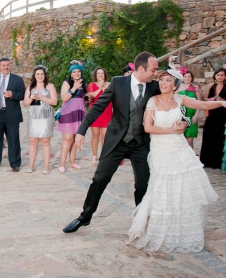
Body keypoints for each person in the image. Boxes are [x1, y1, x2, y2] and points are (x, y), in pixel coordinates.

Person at [63, 52, 186, 233]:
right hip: (117, 141)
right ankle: (84, 216)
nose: (156, 73)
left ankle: (141, 220)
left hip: (141, 143)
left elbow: (175, 105)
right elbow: (98, 107)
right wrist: (81, 131)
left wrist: (185, 121)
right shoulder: (118, 83)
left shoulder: (154, 86)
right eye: (153, 69)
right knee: (99, 179)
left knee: (143, 184)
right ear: (142, 68)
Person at [127, 69, 226, 252]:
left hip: (179, 148)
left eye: (167, 80)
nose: (163, 83)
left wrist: (221, 102)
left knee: (184, 186)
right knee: (162, 186)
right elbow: (147, 127)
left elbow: (202, 105)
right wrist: (170, 130)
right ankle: (160, 226)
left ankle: (182, 227)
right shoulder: (153, 101)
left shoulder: (180, 100)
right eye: (161, 80)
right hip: (161, 148)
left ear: (175, 84)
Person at [0, 57, 26, 172]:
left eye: (7, 65)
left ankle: (15, 163)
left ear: (10, 66)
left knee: (13, 140)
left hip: (11, 114)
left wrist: (13, 94)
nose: (6, 67)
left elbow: (23, 94)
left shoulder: (17, 79)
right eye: (3, 65)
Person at [23, 65, 58, 174]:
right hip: (34, 116)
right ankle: (31, 165)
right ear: (34, 75)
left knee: (45, 141)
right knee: (33, 141)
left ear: (45, 75)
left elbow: (55, 102)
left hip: (46, 115)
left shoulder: (50, 86)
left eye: (42, 74)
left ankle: (46, 166)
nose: (40, 76)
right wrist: (31, 98)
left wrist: (42, 98)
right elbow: (25, 104)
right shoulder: (30, 87)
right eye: (38, 74)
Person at [57, 60, 87, 173]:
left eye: (78, 71)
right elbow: (64, 98)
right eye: (74, 72)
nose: (76, 74)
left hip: (79, 113)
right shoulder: (67, 83)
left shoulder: (83, 83)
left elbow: (82, 98)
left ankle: (72, 162)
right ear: (71, 74)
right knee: (68, 138)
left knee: (76, 139)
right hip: (69, 113)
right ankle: (61, 164)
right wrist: (74, 87)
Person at [199, 68, 226, 169]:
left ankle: (218, 162)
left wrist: (224, 100)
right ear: (215, 76)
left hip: (223, 114)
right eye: (218, 75)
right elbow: (205, 98)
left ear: (224, 76)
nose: (220, 77)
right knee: (209, 136)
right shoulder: (210, 86)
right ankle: (206, 160)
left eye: (222, 75)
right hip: (212, 113)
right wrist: (212, 99)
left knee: (220, 137)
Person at [87, 67, 112, 166]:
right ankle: (94, 156)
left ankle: (104, 156)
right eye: (98, 73)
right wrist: (100, 87)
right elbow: (92, 96)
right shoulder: (92, 85)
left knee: (105, 136)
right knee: (95, 135)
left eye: (102, 73)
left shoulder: (109, 84)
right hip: (95, 113)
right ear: (95, 75)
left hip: (107, 112)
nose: (101, 75)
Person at [176, 70, 201, 149]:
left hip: (192, 115)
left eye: (189, 76)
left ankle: (191, 158)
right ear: (182, 78)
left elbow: (199, 102)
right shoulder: (178, 88)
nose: (187, 78)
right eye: (185, 76)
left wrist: (196, 115)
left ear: (192, 78)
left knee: (189, 140)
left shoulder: (196, 88)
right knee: (180, 139)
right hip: (181, 115)